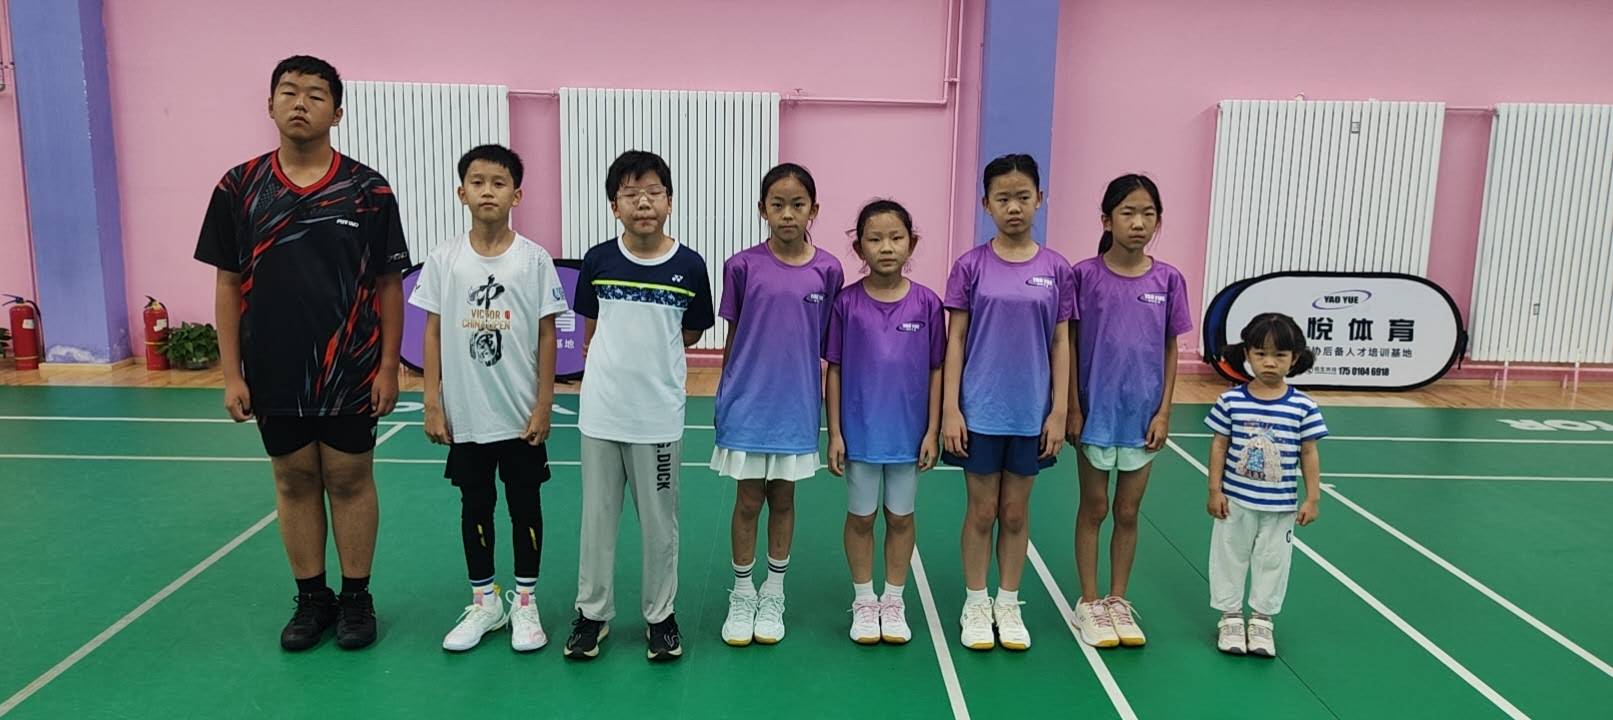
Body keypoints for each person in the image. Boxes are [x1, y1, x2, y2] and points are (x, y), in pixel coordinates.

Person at [194, 55, 409, 651]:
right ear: (269, 105)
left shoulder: (368, 190)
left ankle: (356, 598)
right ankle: (312, 598)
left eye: (315, 95)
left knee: (349, 476)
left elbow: (389, 284)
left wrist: (388, 367)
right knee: (292, 479)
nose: (300, 103)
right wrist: (231, 374)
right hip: (274, 367)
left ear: (337, 113)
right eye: (288, 92)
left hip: (351, 365)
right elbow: (228, 284)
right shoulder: (238, 187)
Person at [411, 145, 567, 653]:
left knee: (525, 505)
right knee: (474, 505)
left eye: (499, 183)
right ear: (462, 193)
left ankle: (525, 602)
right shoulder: (445, 259)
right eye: (477, 182)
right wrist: (432, 402)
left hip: (520, 415)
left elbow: (547, 335)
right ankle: (485, 603)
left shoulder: (534, 259)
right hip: (467, 415)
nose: (487, 191)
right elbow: (432, 332)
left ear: (516, 195)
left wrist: (543, 404)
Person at [566, 150, 715, 662]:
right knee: (597, 521)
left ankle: (660, 616)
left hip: (658, 419)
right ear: (615, 206)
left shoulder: (689, 265)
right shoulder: (598, 260)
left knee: (659, 525)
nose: (643, 202)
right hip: (601, 415)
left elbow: (690, 332)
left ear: (669, 201)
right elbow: (592, 327)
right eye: (630, 194)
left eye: (653, 192)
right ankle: (592, 614)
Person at [941, 154, 1075, 651]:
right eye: (1003, 198)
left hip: (1031, 414)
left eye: (1023, 197)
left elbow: (1061, 342)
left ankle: (1008, 602)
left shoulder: (1056, 269)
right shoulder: (970, 266)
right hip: (980, 411)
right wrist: (951, 408)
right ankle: (976, 602)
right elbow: (955, 340)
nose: (1013, 207)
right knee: (981, 512)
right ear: (986, 205)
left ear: (1040, 198)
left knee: (1015, 513)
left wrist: (1058, 410)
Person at [714, 163, 844, 646]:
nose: (788, 214)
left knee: (784, 499)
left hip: (796, 404)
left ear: (814, 209)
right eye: (778, 204)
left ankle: (774, 591)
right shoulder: (742, 266)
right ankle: (742, 592)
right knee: (748, 499)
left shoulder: (828, 270)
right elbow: (733, 337)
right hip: (748, 402)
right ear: (762, 209)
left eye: (798, 204)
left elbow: (829, 345)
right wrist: (725, 396)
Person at [825, 199, 944, 645]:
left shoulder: (928, 304)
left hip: (908, 438)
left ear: (911, 242)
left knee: (900, 517)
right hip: (860, 436)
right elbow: (834, 369)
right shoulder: (846, 304)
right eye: (875, 239)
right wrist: (836, 433)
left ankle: (893, 600)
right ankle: (864, 600)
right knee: (861, 518)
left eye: (896, 238)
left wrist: (931, 430)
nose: (887, 247)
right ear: (859, 248)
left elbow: (937, 370)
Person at [1204, 313, 1328, 658]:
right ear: (1247, 353)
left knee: (1273, 562)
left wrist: (1313, 498)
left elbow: (1309, 451)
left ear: (1295, 358)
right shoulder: (1231, 401)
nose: (1269, 363)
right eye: (1260, 354)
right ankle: (1230, 617)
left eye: (1280, 355)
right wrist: (1214, 490)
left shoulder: (1303, 406)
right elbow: (1219, 445)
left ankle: (1261, 621)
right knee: (1229, 557)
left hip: (1280, 506)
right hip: (1236, 502)